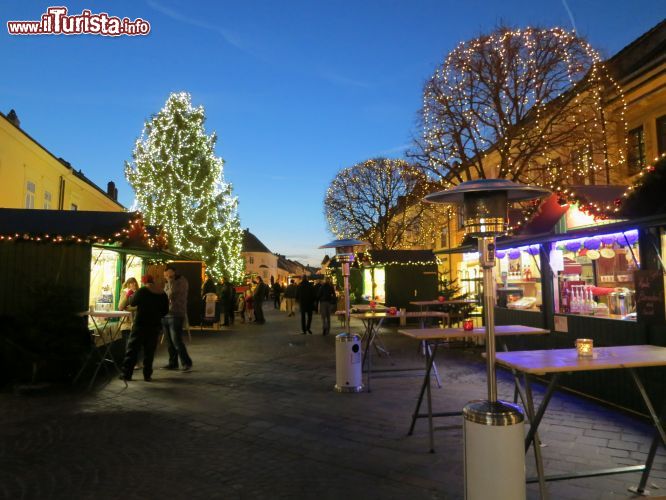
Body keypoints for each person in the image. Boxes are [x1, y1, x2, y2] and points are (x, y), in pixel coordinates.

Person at [120, 275, 169, 381]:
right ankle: (147, 375)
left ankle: (126, 374)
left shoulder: (142, 291)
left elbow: (132, 302)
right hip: (154, 325)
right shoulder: (162, 293)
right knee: (149, 351)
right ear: (153, 281)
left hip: (140, 324)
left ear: (143, 282)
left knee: (132, 349)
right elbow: (165, 310)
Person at [162, 264, 193, 371]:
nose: (167, 278)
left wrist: (170, 281)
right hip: (166, 314)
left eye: (169, 276)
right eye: (165, 276)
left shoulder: (181, 282)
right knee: (169, 342)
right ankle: (173, 363)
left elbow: (170, 294)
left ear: (174, 273)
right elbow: (164, 296)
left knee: (176, 340)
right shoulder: (168, 283)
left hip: (176, 314)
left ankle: (186, 362)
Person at [119, 277, 141, 367]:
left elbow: (140, 307)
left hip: (137, 320)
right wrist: (128, 295)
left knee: (136, 343)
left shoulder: (139, 292)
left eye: (135, 283)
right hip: (127, 322)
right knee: (129, 342)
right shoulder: (124, 292)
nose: (134, 285)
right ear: (128, 284)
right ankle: (129, 363)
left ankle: (135, 362)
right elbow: (120, 307)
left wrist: (130, 308)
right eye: (131, 283)